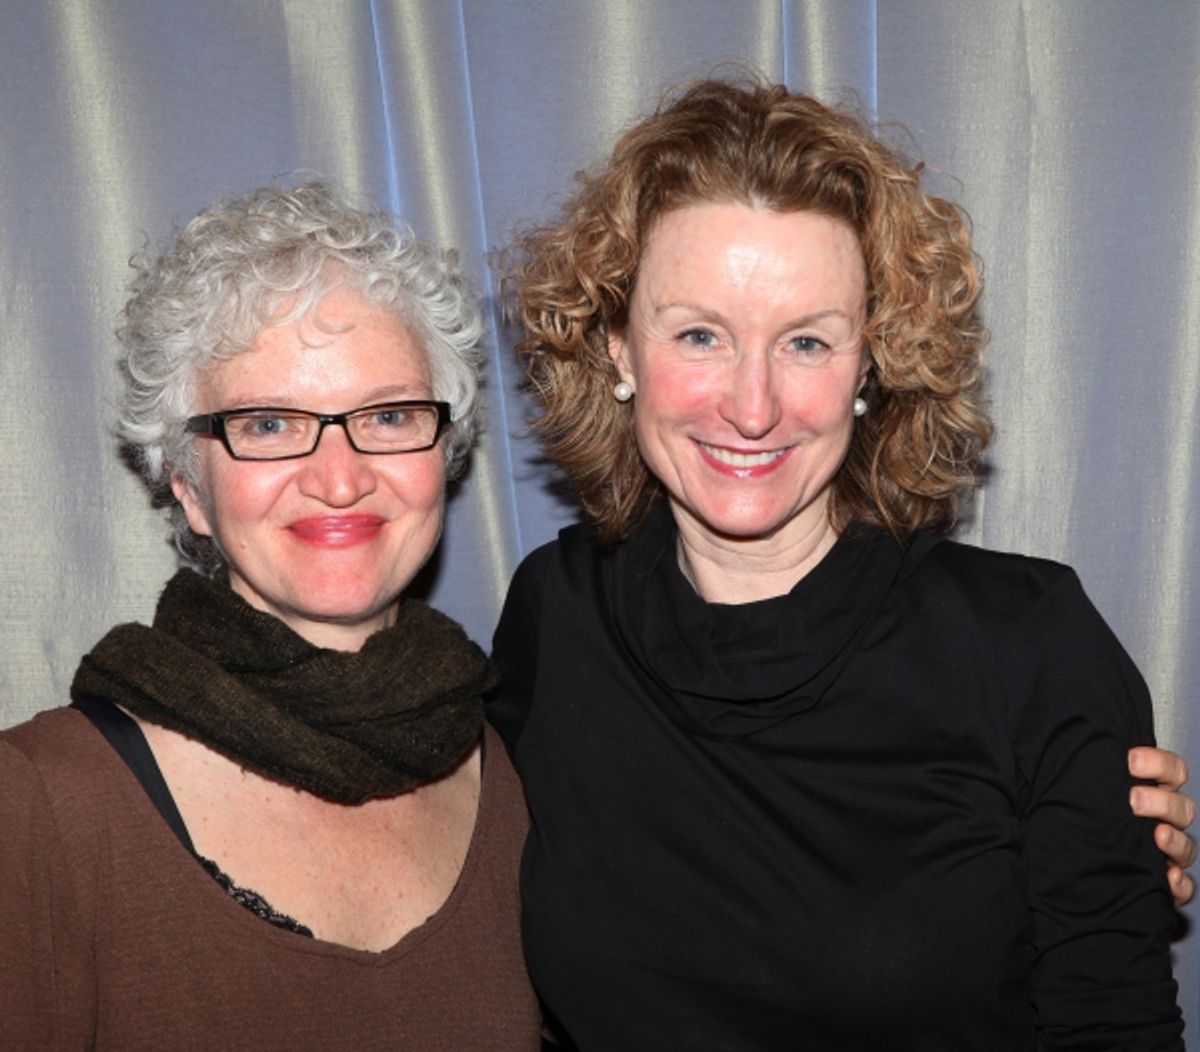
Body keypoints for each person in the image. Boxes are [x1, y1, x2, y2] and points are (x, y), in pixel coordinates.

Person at [493, 79, 1191, 1049]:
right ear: (618, 346)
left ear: (871, 362)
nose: (752, 404)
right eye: (699, 333)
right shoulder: (553, 615)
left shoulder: (1026, 645)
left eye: (807, 341)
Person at [0, 182, 540, 1050]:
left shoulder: (518, 768)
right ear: (187, 484)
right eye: (270, 423)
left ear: (445, 453)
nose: (338, 476)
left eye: (390, 414)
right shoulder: (42, 804)